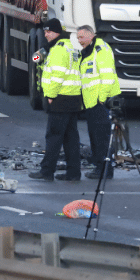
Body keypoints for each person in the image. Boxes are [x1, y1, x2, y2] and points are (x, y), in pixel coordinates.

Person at [29, 18, 83, 182]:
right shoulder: (69, 47)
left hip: (60, 98)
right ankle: (73, 173)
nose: (46, 35)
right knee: (71, 138)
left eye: (49, 32)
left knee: (53, 136)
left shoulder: (58, 50)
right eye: (45, 31)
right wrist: (43, 51)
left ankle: (47, 171)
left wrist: (51, 96)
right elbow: (34, 59)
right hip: (73, 98)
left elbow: (58, 75)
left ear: (57, 32)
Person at [78, 24, 122, 180]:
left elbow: (107, 77)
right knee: (96, 137)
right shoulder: (89, 51)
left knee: (101, 139)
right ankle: (100, 168)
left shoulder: (100, 50)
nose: (79, 40)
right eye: (78, 38)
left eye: (82, 37)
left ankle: (104, 170)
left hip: (100, 103)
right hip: (91, 103)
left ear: (91, 35)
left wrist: (101, 100)